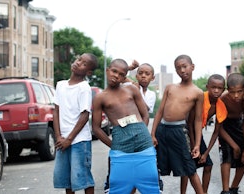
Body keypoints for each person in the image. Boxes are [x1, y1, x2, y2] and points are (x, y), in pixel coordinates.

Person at [92, 59, 160, 194]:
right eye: (114, 71)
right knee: (119, 184)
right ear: (107, 70)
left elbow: (145, 114)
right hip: (120, 140)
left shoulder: (131, 89)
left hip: (142, 138)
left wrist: (143, 132)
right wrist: (113, 145)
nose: (116, 75)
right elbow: (96, 127)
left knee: (150, 182)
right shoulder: (100, 97)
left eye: (121, 74)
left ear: (124, 77)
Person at [151, 54, 204, 194]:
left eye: (184, 66)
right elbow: (159, 112)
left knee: (189, 168)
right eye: (178, 68)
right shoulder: (170, 88)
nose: (182, 70)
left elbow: (198, 120)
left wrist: (197, 144)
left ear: (192, 67)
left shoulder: (197, 93)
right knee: (151, 165)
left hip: (179, 131)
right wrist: (153, 134)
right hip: (162, 130)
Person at [53, 53, 98, 194]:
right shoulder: (60, 85)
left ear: (88, 72)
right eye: (79, 59)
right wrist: (59, 137)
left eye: (84, 63)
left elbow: (85, 115)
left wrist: (70, 139)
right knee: (67, 180)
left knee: (83, 177)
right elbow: (56, 111)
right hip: (63, 140)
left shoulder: (84, 88)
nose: (78, 63)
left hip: (79, 140)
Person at [181, 74, 227, 194]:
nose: (216, 90)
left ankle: (204, 192)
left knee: (208, 165)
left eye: (219, 88)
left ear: (223, 89)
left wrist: (205, 153)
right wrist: (193, 145)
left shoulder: (220, 106)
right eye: (213, 87)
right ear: (207, 87)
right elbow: (189, 123)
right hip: (185, 130)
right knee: (188, 166)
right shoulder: (200, 98)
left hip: (197, 132)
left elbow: (216, 131)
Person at [218, 73, 244, 194]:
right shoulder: (222, 99)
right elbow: (218, 127)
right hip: (224, 127)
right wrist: (233, 146)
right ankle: (225, 190)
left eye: (239, 91)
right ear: (227, 90)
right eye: (232, 92)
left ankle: (234, 188)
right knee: (227, 157)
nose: (236, 96)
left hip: (239, 126)